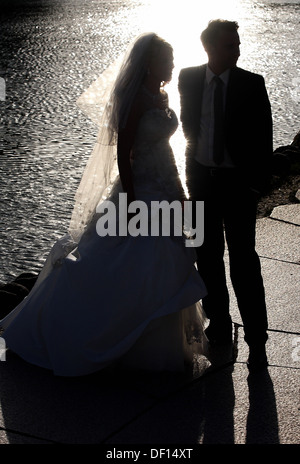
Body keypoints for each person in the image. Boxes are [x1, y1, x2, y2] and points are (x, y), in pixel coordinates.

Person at [0, 33, 208, 377]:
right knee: (121, 265)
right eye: (166, 59)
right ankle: (88, 336)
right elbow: (124, 154)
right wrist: (130, 197)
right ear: (149, 62)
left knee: (165, 264)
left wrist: (178, 191)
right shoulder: (135, 100)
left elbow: (165, 149)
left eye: (172, 59)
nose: (171, 64)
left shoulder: (161, 95)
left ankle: (159, 347)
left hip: (163, 188)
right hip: (138, 192)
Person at [178, 20, 273, 372]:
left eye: (237, 43)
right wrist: (191, 181)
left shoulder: (251, 84)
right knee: (208, 256)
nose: (238, 50)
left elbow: (264, 139)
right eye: (230, 45)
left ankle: (257, 335)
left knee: (244, 259)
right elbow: (190, 131)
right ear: (210, 49)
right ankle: (219, 322)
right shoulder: (188, 79)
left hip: (238, 185)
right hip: (203, 182)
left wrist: (253, 188)